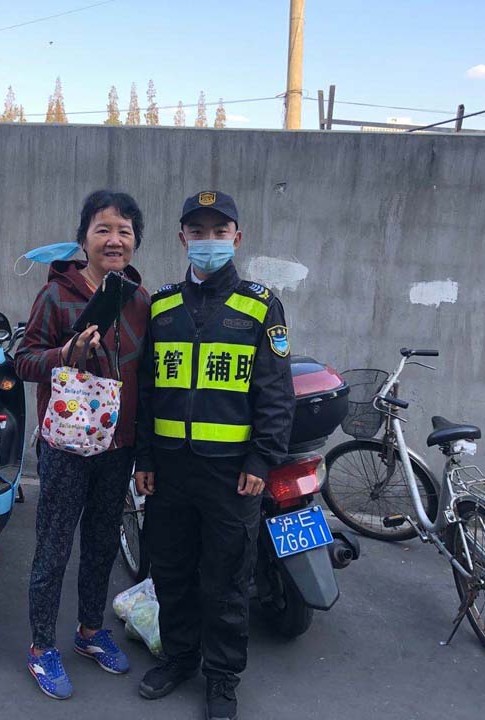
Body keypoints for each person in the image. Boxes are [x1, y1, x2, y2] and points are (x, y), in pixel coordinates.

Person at [134, 191, 295, 720]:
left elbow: (275, 392)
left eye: (219, 231)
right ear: (182, 238)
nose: (208, 241)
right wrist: (144, 459)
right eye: (197, 231)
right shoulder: (161, 305)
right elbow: (147, 389)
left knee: (226, 579)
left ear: (236, 238)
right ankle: (180, 658)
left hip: (232, 475)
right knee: (171, 570)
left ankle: (222, 677)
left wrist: (261, 460)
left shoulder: (260, 304)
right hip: (170, 471)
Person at [15, 190, 151, 700]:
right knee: (54, 546)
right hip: (67, 447)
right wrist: (64, 353)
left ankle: (90, 631)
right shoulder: (57, 295)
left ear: (135, 241)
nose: (114, 240)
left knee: (101, 543)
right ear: (84, 239)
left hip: (118, 446)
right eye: (103, 230)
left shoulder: (140, 300)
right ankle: (41, 646)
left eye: (124, 231)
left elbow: (147, 376)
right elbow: (23, 360)